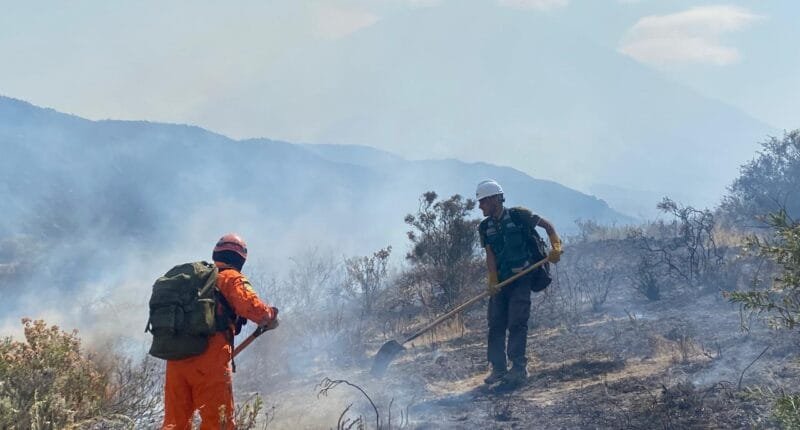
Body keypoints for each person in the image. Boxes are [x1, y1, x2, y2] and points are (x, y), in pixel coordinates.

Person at [162, 233, 279, 429]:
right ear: (240, 259)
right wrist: (270, 315)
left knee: (174, 424)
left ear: (216, 253)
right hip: (209, 361)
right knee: (218, 423)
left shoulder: (196, 281)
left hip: (176, 360)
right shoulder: (231, 278)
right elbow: (253, 308)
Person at [476, 179, 563, 387]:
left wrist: (556, 246)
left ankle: (518, 369)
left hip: (522, 277)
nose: (480, 207)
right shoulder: (485, 227)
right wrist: (493, 280)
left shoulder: (518, 215)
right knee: (495, 324)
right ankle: (498, 369)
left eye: (483, 202)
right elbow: (490, 256)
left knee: (517, 322)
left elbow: (547, 225)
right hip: (501, 283)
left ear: (495, 199)